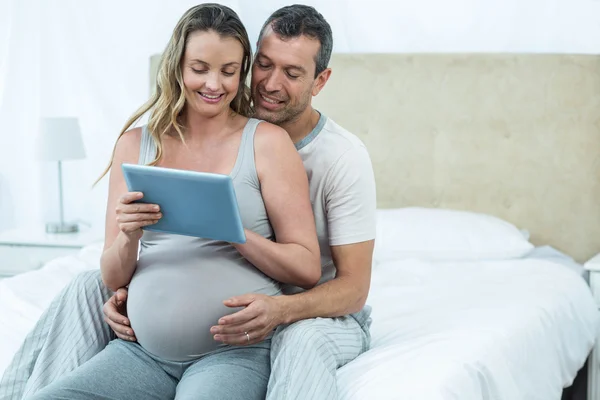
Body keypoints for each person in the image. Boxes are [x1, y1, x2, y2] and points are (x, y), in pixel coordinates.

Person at [0, 4, 377, 400]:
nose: (268, 83)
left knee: (300, 344)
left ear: (320, 80)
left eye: (229, 72)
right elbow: (113, 273)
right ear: (177, 66)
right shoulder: (134, 145)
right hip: (142, 353)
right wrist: (127, 247)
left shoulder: (307, 149)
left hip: (240, 347)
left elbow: (334, 279)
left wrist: (228, 231)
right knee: (79, 299)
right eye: (263, 66)